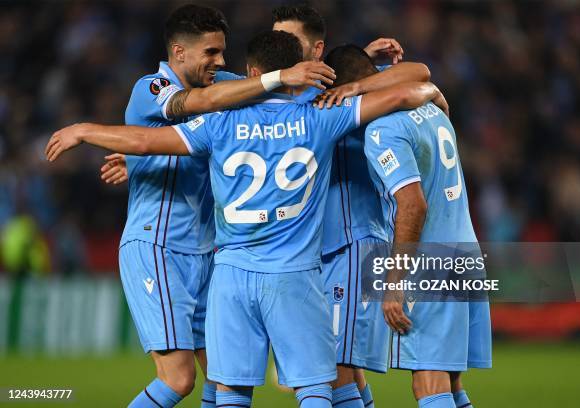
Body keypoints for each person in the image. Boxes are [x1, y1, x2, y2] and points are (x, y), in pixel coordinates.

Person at [46, 30, 446, 408]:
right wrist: (422, 94)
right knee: (315, 386)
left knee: (230, 391)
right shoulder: (323, 117)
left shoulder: (218, 123)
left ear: (253, 73)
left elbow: (144, 139)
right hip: (295, 273)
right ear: (297, 72)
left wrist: (84, 131)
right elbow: (410, 90)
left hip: (231, 276)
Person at [97, 4, 336, 407]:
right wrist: (279, 77)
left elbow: (260, 87)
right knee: (178, 379)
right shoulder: (151, 88)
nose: (220, 61)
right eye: (210, 52)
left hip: (209, 255)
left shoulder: (225, 84)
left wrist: (367, 69)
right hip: (159, 247)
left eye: (223, 52)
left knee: (223, 378)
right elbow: (198, 105)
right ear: (179, 53)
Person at [272, 5, 431, 407]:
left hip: (354, 243)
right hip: (322, 250)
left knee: (333, 369)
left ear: (316, 49)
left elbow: (420, 74)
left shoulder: (347, 89)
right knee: (347, 369)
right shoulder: (285, 92)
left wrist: (361, 78)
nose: (281, 48)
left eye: (290, 41)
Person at [326, 45, 492, 408]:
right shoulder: (429, 107)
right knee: (450, 382)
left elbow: (413, 204)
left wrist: (395, 281)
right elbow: (421, 76)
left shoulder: (382, 131)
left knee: (429, 386)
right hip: (465, 251)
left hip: (430, 261)